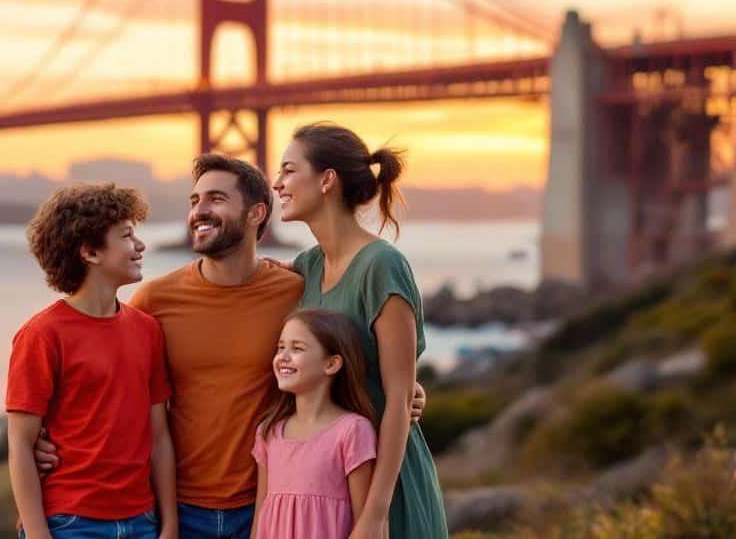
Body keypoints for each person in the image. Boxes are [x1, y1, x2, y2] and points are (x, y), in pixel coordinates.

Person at [34, 155, 425, 539]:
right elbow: (110, 386)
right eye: (194, 201)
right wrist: (41, 437)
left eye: (215, 199)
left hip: (268, 507)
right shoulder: (155, 299)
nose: (199, 211)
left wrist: (406, 388)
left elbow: (347, 348)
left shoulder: (296, 291)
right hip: (178, 511)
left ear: (256, 214)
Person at [273, 123, 449, 539]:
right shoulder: (307, 265)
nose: (277, 184)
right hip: (325, 482)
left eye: (288, 171)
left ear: (327, 180)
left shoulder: (382, 266)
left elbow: (399, 396)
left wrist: (373, 516)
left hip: (385, 483)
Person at [6, 184, 177, 539]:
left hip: (142, 521)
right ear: (91, 252)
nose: (140, 246)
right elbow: (21, 445)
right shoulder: (41, 335)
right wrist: (39, 535)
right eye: (127, 235)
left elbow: (159, 437)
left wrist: (169, 524)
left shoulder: (146, 330)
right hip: (70, 523)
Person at [250, 309, 379, 539]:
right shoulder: (268, 432)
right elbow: (261, 514)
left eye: (297, 348)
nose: (283, 356)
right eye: (281, 347)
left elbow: (366, 522)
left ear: (331, 364)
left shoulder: (352, 431)